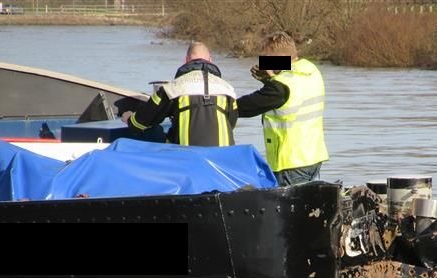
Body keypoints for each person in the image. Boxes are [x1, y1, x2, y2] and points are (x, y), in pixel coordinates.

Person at [237, 32, 328, 186]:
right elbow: (287, 94)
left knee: (288, 207)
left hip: (291, 164)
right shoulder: (310, 70)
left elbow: (246, 107)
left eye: (264, 59)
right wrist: (270, 79)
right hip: (313, 158)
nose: (261, 64)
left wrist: (219, 106)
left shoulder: (281, 87)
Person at [121, 41, 237, 147]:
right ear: (211, 60)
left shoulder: (172, 88)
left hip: (187, 159)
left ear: (186, 60)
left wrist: (130, 119)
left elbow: (143, 120)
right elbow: (231, 124)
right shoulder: (228, 89)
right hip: (223, 159)